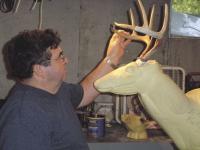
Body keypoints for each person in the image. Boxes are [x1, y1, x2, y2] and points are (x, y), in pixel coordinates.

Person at [0, 28, 130, 150]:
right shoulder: (22, 116)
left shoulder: (55, 89)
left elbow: (85, 92)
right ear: (39, 70)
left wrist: (113, 57)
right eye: (60, 57)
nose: (66, 60)